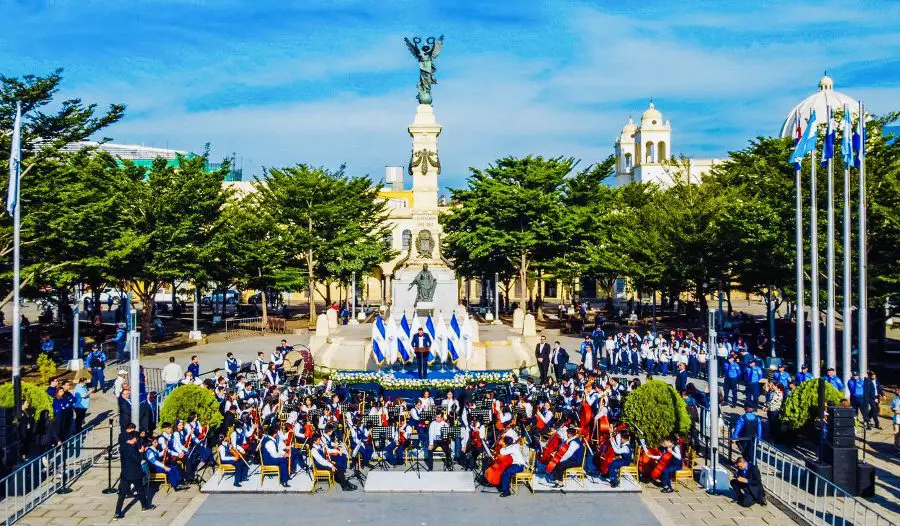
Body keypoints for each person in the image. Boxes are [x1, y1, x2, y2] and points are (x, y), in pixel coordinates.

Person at [113, 431, 153, 520]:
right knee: (140, 490)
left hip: (124, 474)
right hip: (135, 474)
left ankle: (117, 512)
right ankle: (145, 506)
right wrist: (141, 452)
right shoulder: (133, 448)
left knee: (122, 495)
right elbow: (137, 460)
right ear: (135, 438)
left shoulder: (123, 446)